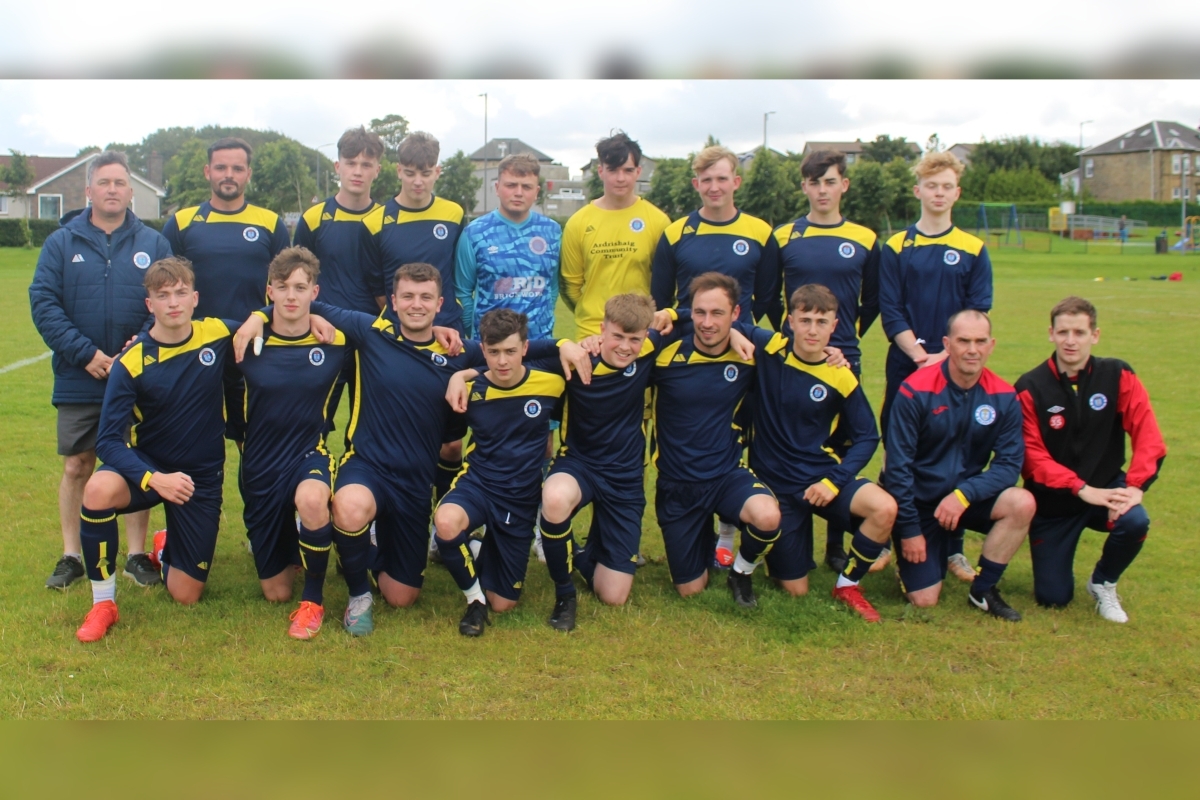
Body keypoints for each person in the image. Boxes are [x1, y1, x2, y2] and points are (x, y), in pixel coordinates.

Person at [234, 264, 582, 636]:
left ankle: (364, 553)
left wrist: (562, 344)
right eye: (409, 297)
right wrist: (259, 315)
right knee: (350, 507)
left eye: (426, 297)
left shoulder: (457, 350)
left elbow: (513, 353)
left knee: (402, 596)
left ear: (439, 304)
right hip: (367, 466)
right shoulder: (370, 332)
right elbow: (301, 303)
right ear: (394, 302)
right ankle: (358, 595)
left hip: (415, 481)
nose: (417, 305)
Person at [73, 258, 239, 642]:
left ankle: (164, 549)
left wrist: (298, 319)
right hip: (151, 469)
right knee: (97, 490)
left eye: (181, 293)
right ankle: (103, 604)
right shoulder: (131, 362)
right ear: (150, 305)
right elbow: (109, 441)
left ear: (195, 298)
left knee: (186, 595)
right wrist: (154, 479)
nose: (173, 303)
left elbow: (266, 318)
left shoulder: (217, 333)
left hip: (199, 477)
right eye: (163, 296)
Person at [29, 150, 169, 590]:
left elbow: (167, 301)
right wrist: (85, 354)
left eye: (120, 183)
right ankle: (72, 555)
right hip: (79, 374)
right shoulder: (61, 243)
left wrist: (138, 348)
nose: (112, 189)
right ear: (88, 190)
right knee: (78, 464)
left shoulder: (153, 243)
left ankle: (136, 555)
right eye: (103, 182)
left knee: (136, 461)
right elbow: (44, 303)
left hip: (138, 375)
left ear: (131, 191)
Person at [741, 284, 895, 622]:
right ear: (790, 320)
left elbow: (868, 437)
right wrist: (668, 313)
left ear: (834, 326)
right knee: (795, 590)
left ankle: (848, 584)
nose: (813, 329)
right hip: (778, 487)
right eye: (805, 319)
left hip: (821, 478)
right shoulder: (770, 349)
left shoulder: (840, 374)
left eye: (821, 322)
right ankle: (780, 551)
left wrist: (834, 481)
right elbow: (719, 317)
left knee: (883, 508)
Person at [765, 149, 883, 575]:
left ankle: (836, 542)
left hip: (842, 355)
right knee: (797, 439)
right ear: (804, 187)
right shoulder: (784, 236)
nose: (822, 190)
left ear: (843, 185)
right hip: (795, 355)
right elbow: (765, 295)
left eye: (830, 182)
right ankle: (784, 529)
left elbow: (872, 301)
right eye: (814, 183)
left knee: (842, 446)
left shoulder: (866, 238)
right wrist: (789, 340)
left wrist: (843, 340)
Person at [1015, 296, 1166, 622]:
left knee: (1135, 520)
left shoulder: (1118, 374)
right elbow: (1032, 458)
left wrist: (1136, 487)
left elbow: (1147, 434)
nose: (1071, 341)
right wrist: (1080, 487)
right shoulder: (1030, 387)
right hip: (1054, 504)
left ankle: (1103, 582)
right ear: (1051, 333)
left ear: (1094, 335)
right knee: (1053, 598)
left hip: (1106, 491)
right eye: (1064, 332)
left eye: (1080, 332)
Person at [532, 294, 677, 631]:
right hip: (579, 465)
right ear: (602, 330)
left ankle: (585, 553)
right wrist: (563, 343)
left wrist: (670, 311)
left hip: (625, 478)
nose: (625, 347)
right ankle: (565, 596)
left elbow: (687, 318)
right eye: (617, 336)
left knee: (613, 596)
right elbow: (522, 350)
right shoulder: (580, 360)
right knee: (553, 499)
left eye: (634, 339)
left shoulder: (648, 351)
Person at [879, 151, 991, 583]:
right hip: (908, 363)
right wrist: (920, 356)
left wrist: (948, 355)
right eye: (932, 186)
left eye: (947, 186)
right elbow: (890, 310)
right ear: (918, 191)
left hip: (957, 365)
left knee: (954, 451)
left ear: (956, 193)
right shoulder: (896, 246)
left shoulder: (972, 248)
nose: (939, 193)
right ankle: (887, 537)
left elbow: (978, 311)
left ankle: (954, 549)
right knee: (898, 451)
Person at [882, 310, 1034, 621]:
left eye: (980, 342)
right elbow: (896, 468)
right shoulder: (915, 390)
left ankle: (984, 591)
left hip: (964, 501)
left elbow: (1008, 466)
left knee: (1022, 502)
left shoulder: (1004, 396)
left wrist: (964, 494)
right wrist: (910, 530)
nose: (972, 350)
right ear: (947, 344)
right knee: (924, 601)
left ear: (992, 345)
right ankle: (908, 555)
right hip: (920, 503)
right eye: (964, 341)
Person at [435, 309, 571, 636]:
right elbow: (449, 442)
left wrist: (568, 343)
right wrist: (460, 376)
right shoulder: (470, 389)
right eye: (493, 352)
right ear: (483, 350)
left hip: (520, 497)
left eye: (511, 351)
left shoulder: (552, 380)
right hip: (479, 484)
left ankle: (485, 550)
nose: (503, 361)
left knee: (505, 603)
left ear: (526, 347)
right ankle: (474, 602)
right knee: (446, 521)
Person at [233, 247, 347, 638]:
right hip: (260, 465)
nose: (292, 296)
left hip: (307, 454)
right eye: (282, 287)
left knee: (313, 500)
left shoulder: (336, 342)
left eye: (301, 287)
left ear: (315, 292)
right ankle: (296, 553)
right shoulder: (244, 341)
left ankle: (313, 601)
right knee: (276, 592)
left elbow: (396, 333)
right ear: (270, 292)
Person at [651, 273, 781, 607]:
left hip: (725, 476)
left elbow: (800, 345)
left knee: (767, 516)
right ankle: (705, 543)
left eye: (718, 314)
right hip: (677, 484)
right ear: (690, 312)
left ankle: (741, 572)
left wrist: (835, 356)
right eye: (699, 313)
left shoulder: (749, 352)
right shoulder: (665, 352)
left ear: (736, 314)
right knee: (691, 589)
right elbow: (622, 344)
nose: (707, 323)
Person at [362, 131, 468, 531]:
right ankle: (383, 515)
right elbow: (375, 285)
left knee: (451, 441)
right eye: (410, 173)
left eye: (425, 173)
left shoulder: (455, 214)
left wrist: (443, 322)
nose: (418, 181)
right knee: (398, 434)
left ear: (437, 171)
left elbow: (460, 275)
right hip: (398, 342)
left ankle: (446, 524)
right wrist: (408, 325)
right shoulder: (376, 220)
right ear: (398, 171)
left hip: (450, 336)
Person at [161, 137, 290, 444]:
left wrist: (263, 316)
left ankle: (258, 492)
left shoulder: (270, 223)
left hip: (255, 346)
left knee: (255, 440)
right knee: (194, 439)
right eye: (221, 167)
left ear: (248, 174)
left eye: (237, 168)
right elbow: (165, 286)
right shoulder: (182, 222)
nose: (228, 174)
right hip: (194, 348)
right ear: (208, 172)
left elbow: (286, 288)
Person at [291, 126, 385, 430]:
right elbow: (297, 279)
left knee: (368, 430)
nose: (357, 171)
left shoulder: (387, 219)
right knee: (311, 426)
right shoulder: (314, 218)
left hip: (372, 337)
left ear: (377, 170)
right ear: (337, 167)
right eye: (350, 163)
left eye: (366, 165)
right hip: (322, 334)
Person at [561, 131, 671, 338]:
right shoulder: (578, 223)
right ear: (601, 171)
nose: (621, 178)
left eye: (627, 170)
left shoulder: (658, 221)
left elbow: (666, 284)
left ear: (638, 171)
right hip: (592, 335)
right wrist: (593, 315)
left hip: (641, 334)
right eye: (613, 170)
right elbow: (570, 287)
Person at [650, 145, 774, 325]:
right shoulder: (675, 233)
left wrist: (740, 325)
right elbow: (660, 299)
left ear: (736, 182)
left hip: (740, 343)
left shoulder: (761, 233)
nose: (714, 187)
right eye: (707, 180)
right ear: (696, 184)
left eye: (722, 179)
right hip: (688, 341)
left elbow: (765, 297)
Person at [456, 152, 562, 340]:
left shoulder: (552, 231)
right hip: (493, 348)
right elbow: (463, 292)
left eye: (526, 187)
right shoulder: (475, 233)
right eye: (511, 185)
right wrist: (480, 334)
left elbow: (552, 287)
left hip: (540, 345)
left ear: (536, 192)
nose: (519, 192)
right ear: (497, 188)